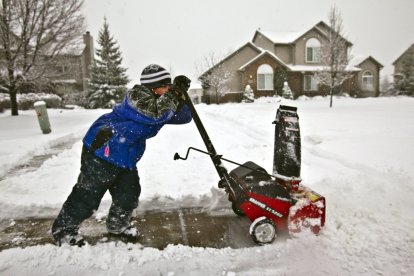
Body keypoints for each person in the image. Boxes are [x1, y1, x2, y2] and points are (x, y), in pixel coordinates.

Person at [52, 64, 192, 246]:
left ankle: (118, 225)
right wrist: (173, 95)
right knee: (88, 195)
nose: (167, 89)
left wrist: (182, 96)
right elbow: (156, 114)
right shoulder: (137, 96)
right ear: (153, 86)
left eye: (169, 85)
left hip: (125, 155)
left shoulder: (160, 100)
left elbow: (183, 117)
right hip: (103, 150)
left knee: (129, 194)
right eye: (165, 85)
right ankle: (63, 231)